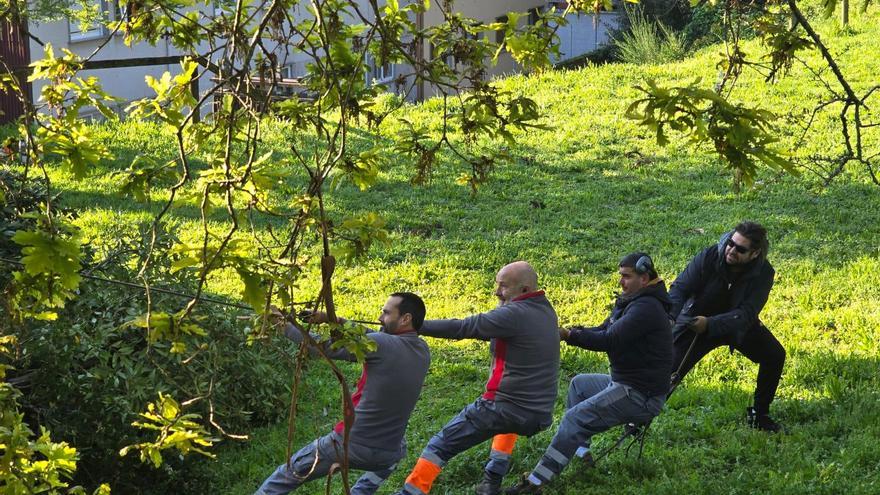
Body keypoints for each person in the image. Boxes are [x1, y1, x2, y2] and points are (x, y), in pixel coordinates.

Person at [506, 253, 673, 493]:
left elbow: (610, 340)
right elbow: (604, 329)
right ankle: (581, 452)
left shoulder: (646, 308)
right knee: (579, 385)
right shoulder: (632, 301)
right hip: (624, 384)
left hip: (640, 395)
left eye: (626, 277)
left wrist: (569, 335)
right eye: (620, 276)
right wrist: (575, 331)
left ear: (644, 278)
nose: (621, 282)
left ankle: (535, 483)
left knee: (574, 419)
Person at [394, 261, 560, 495]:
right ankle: (491, 481)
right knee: (506, 423)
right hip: (538, 415)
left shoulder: (514, 313)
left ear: (524, 290)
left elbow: (464, 327)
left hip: (504, 407)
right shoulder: (544, 309)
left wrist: (412, 327)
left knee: (441, 444)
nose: (496, 292)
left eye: (503, 287)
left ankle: (410, 492)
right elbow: (491, 330)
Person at [255, 292, 431, 495]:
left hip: (349, 444)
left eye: (386, 313)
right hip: (387, 454)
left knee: (287, 474)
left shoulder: (381, 345)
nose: (380, 318)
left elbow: (323, 347)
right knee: (399, 450)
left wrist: (282, 324)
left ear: (405, 318)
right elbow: (374, 336)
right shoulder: (422, 350)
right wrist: (334, 320)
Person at [668, 221, 785, 432]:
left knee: (774, 355)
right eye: (731, 243)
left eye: (740, 249)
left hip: (734, 325)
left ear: (755, 253)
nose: (731, 250)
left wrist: (711, 324)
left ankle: (760, 414)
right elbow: (680, 288)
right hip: (695, 323)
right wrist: (670, 316)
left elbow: (748, 313)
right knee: (667, 374)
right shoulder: (710, 256)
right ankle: (637, 419)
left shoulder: (764, 273)